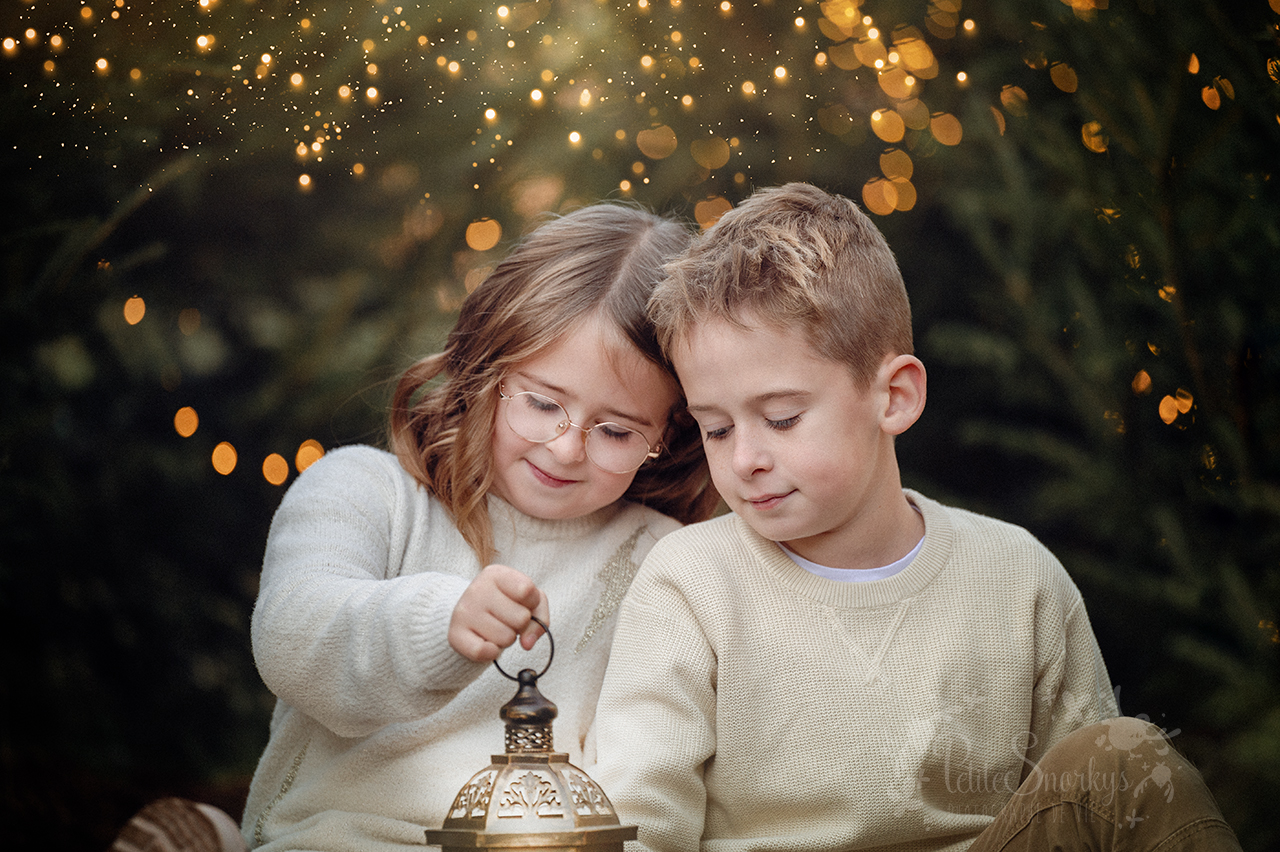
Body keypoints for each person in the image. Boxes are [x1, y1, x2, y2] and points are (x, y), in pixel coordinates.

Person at [593, 183, 1240, 851]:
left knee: (1127, 758)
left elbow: (1089, 815)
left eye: (782, 418)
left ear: (895, 397)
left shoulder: (1015, 577)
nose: (746, 458)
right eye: (717, 429)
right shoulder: (690, 583)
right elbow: (637, 825)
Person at [235, 203, 718, 852]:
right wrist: (439, 624)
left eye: (616, 430)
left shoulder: (662, 562)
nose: (567, 447)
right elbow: (293, 637)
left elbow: (650, 775)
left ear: (667, 432)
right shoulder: (363, 490)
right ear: (483, 369)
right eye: (543, 403)